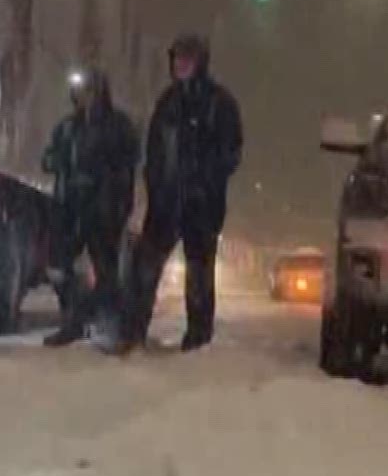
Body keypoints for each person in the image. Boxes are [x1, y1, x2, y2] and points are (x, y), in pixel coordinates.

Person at [124, 33, 243, 352]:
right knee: (145, 266)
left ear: (200, 62)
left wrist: (204, 182)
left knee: (199, 273)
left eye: (187, 59)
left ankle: (198, 339)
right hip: (165, 202)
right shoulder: (168, 102)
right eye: (176, 59)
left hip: (201, 205)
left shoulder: (219, 103)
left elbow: (230, 152)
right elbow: (155, 150)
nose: (180, 65)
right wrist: (155, 183)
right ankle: (133, 332)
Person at [39, 67, 141, 347]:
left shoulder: (118, 126)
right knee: (57, 266)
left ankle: (110, 325)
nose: (85, 97)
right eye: (81, 92)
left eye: (90, 91)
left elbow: (128, 164)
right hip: (70, 207)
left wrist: (116, 199)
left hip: (102, 210)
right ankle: (73, 319)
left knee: (106, 270)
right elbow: (48, 158)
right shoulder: (67, 128)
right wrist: (60, 162)